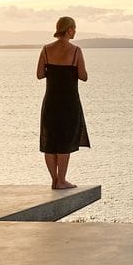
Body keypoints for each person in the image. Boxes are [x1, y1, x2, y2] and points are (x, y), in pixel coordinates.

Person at [36, 16, 89, 190]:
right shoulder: (76, 51)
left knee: (50, 142)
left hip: (51, 101)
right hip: (69, 102)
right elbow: (83, 76)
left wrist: (53, 70)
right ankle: (62, 180)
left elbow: (39, 74)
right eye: (74, 28)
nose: (75, 32)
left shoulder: (46, 49)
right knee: (65, 141)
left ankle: (54, 180)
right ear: (69, 30)